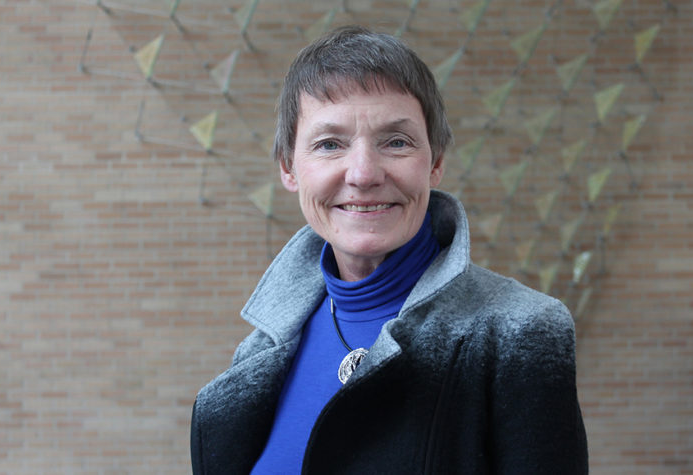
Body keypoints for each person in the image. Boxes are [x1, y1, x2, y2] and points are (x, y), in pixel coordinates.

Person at [190, 25, 587, 474]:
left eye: (396, 142)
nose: (362, 173)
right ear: (289, 168)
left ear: (434, 163)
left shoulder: (520, 332)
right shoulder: (260, 352)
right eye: (329, 144)